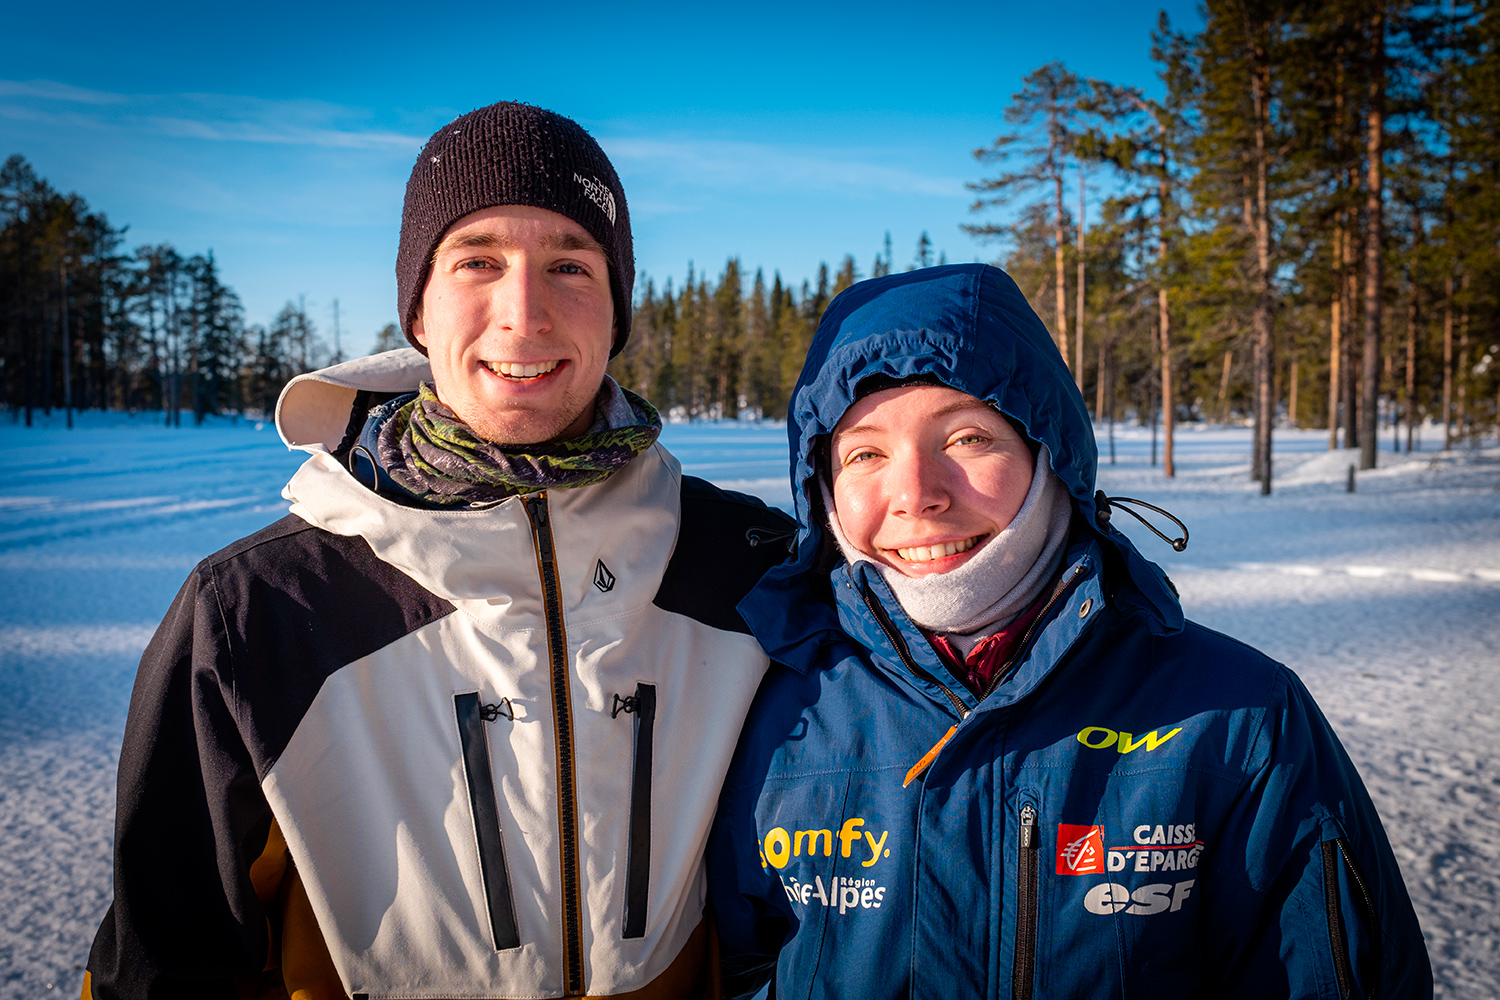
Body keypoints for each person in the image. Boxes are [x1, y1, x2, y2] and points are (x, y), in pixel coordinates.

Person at [83, 102, 793, 1000]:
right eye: (478, 262)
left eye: (571, 265)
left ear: (617, 313)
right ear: (418, 308)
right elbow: (164, 964)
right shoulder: (258, 609)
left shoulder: (747, 563)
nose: (524, 313)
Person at [708, 263, 1432, 998]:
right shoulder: (758, 705)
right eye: (865, 454)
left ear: (1050, 453)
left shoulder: (1243, 717)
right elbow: (727, 969)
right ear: (822, 487)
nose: (916, 495)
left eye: (966, 439)